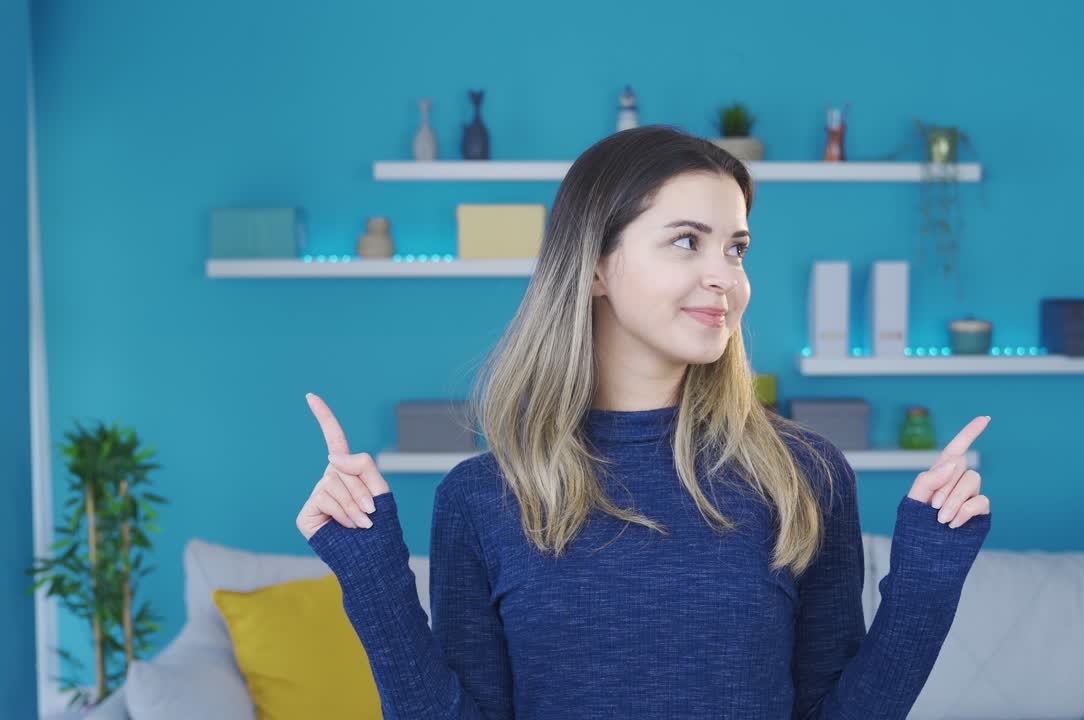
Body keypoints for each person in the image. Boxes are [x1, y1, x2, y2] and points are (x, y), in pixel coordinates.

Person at [297, 124, 993, 719]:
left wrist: (929, 576)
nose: (725, 275)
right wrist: (371, 572)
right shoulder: (481, 498)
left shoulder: (803, 475)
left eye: (736, 247)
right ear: (596, 267)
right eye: (688, 241)